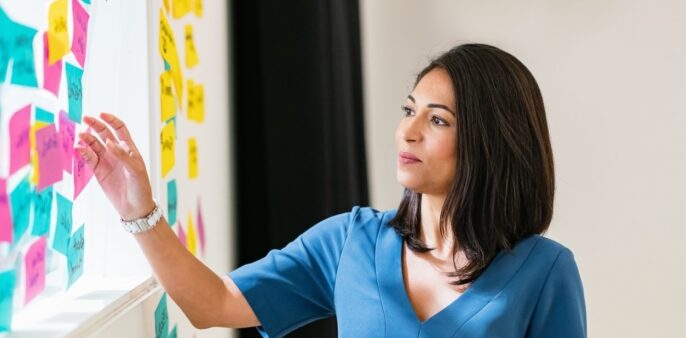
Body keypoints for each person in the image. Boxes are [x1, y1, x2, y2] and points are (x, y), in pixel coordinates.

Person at [76, 43, 586, 338]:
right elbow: (213, 304)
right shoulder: (351, 241)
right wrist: (137, 209)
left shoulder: (544, 272)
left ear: (491, 142)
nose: (408, 132)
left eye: (438, 120)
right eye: (409, 111)